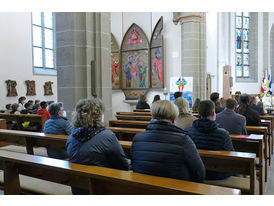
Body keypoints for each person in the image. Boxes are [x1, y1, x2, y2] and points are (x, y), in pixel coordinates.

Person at [131, 100, 205, 183]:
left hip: (143, 188)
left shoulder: (138, 138)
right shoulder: (183, 140)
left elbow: (134, 166)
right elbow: (199, 174)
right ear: (174, 119)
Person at [66, 98, 129, 194]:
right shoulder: (107, 136)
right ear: (98, 116)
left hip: (77, 187)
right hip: (101, 188)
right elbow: (123, 165)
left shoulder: (72, 136)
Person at [186, 100, 234, 180]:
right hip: (217, 174)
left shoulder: (188, 131)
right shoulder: (223, 134)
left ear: (199, 113)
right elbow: (232, 156)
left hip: (196, 172)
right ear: (213, 113)